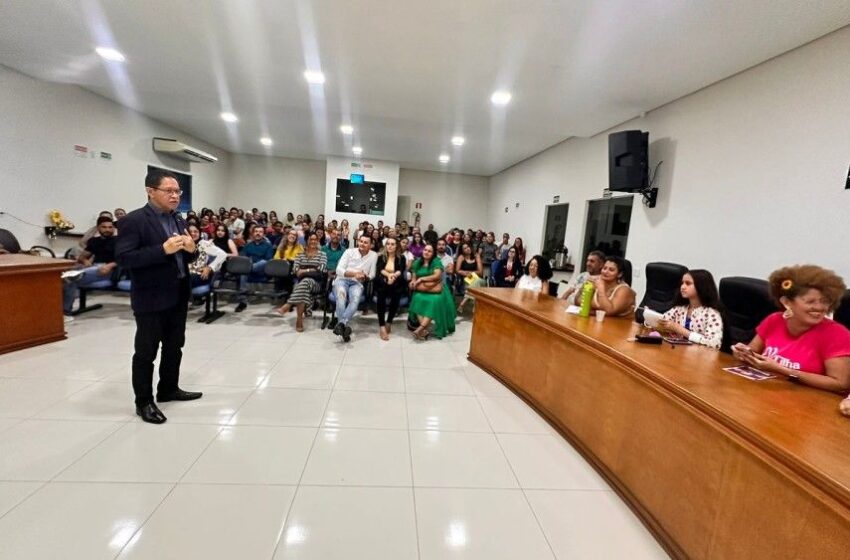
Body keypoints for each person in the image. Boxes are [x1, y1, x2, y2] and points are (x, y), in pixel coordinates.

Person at [115, 169, 203, 425]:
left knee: (175, 346)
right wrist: (161, 250)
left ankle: (168, 388)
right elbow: (124, 258)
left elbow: (186, 255)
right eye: (170, 191)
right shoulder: (134, 220)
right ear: (150, 191)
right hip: (150, 297)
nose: (175, 196)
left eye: (178, 191)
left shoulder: (177, 220)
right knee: (146, 351)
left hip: (177, 292)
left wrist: (192, 250)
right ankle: (143, 401)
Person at [732, 265, 850, 394]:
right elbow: (752, 352)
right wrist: (743, 354)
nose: (819, 307)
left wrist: (784, 371)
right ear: (787, 302)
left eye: (825, 301)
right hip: (767, 394)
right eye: (810, 302)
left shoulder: (837, 334)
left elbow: (840, 384)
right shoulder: (774, 320)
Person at [63, 215, 118, 317]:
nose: (107, 230)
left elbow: (124, 258)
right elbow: (82, 258)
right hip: (93, 267)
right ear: (98, 228)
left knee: (69, 278)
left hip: (109, 270)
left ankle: (65, 313)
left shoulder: (119, 241)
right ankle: (57, 309)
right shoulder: (94, 241)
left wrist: (110, 265)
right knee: (61, 276)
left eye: (110, 227)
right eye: (104, 227)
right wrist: (85, 261)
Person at [658, 270, 724, 349]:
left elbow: (714, 343)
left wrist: (681, 330)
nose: (682, 287)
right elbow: (663, 321)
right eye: (682, 283)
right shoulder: (679, 309)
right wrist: (651, 316)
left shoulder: (711, 313)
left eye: (688, 283)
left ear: (701, 286)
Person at [277, 233, 327, 332]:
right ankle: (299, 318)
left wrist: (304, 270)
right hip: (302, 284)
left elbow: (320, 270)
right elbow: (295, 270)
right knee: (304, 284)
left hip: (317, 284)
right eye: (310, 239)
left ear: (317, 241)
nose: (313, 241)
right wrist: (312, 269)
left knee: (305, 282)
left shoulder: (322, 255)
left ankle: (289, 305)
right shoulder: (299, 255)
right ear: (306, 241)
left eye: (315, 239)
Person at [332, 235, 378, 342]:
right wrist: (354, 274)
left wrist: (365, 276)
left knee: (355, 299)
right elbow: (339, 270)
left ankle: (341, 325)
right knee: (341, 297)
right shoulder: (349, 252)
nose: (362, 244)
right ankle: (343, 325)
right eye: (361, 241)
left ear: (371, 245)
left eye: (365, 242)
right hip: (342, 280)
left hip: (357, 283)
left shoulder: (373, 255)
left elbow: (372, 274)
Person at [408, 244, 456, 340]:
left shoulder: (436, 261)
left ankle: (420, 328)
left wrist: (421, 279)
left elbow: (437, 276)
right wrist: (413, 282)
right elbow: (413, 278)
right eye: (425, 250)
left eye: (429, 251)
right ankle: (424, 330)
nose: (426, 252)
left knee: (434, 301)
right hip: (422, 289)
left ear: (433, 253)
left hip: (437, 290)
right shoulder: (417, 262)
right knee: (417, 298)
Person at [235, 224, 276, 312]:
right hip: (248, 273)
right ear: (253, 233)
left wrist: (250, 266)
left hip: (262, 272)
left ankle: (248, 269)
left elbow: (268, 261)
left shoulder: (268, 245)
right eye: (256, 231)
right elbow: (242, 257)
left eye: (260, 232)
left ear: (263, 234)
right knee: (243, 271)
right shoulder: (248, 245)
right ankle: (243, 302)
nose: (258, 233)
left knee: (263, 262)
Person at [374, 237, 407, 341]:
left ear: (396, 246)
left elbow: (400, 270)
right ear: (385, 245)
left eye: (393, 244)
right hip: (383, 280)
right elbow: (380, 270)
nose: (390, 246)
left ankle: (389, 322)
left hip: (396, 280)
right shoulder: (381, 257)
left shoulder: (402, 258)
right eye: (388, 244)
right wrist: (388, 276)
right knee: (381, 296)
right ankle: (382, 326)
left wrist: (393, 277)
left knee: (396, 295)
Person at [455, 242, 486, 314]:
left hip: (480, 280)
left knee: (477, 282)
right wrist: (470, 273)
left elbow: (480, 272)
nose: (467, 249)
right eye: (465, 248)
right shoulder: (461, 257)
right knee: (476, 289)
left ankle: (462, 303)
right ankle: (474, 310)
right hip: (467, 280)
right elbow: (457, 270)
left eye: (468, 247)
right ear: (462, 250)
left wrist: (469, 273)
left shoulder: (476, 255)